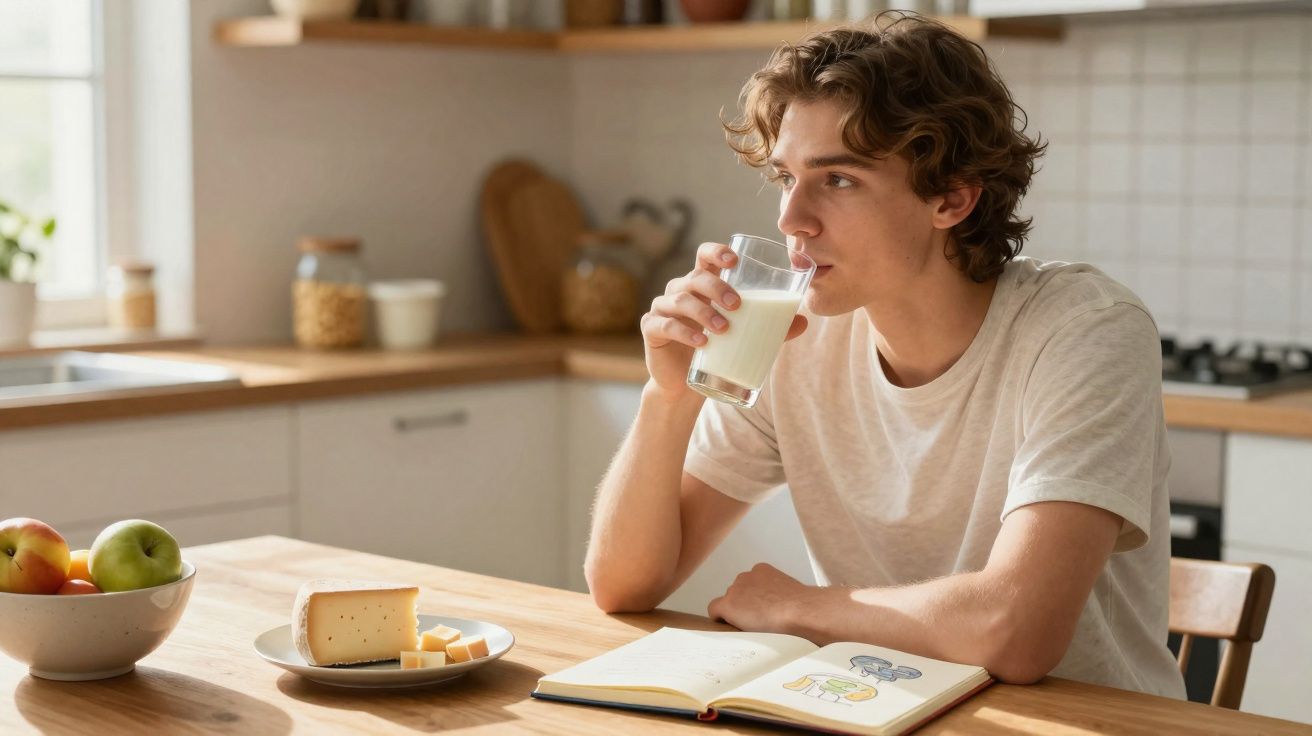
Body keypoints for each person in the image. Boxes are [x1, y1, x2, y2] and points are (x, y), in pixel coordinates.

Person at [583, 13, 1185, 698]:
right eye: (786, 177)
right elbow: (622, 583)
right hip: (876, 707)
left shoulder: (1083, 329)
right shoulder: (793, 338)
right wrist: (669, 398)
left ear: (952, 198)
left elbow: (1016, 632)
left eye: (837, 180)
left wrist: (799, 608)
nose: (790, 219)